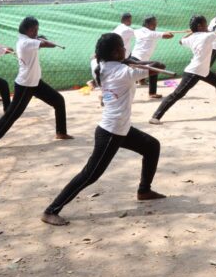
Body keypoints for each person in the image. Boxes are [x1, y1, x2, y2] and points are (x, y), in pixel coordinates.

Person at [41, 33, 165, 226]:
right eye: (122, 48)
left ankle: (144, 191)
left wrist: (126, 60)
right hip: (111, 132)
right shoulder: (123, 72)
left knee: (151, 146)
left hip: (120, 127)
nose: (126, 50)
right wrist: (132, 61)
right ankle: (51, 210)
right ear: (116, 53)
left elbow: (93, 56)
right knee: (90, 174)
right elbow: (159, 66)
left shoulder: (100, 65)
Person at [0, 17, 73, 152]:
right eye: (35, 30)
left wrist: (39, 38)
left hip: (35, 82)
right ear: (28, 30)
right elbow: (50, 45)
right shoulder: (25, 42)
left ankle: (61, 132)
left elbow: (40, 42)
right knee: (12, 115)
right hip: (25, 85)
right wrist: (42, 40)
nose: (37, 32)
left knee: (59, 101)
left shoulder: (29, 40)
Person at [149, 15, 216, 124]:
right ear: (199, 26)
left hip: (203, 71)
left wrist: (191, 32)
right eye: (205, 24)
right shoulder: (207, 36)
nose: (207, 26)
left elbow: (181, 41)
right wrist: (206, 32)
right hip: (194, 71)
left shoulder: (192, 38)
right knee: (177, 94)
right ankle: (155, 117)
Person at [132, 16, 174, 98]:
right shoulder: (151, 33)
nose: (155, 25)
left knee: (150, 67)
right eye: (153, 24)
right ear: (148, 24)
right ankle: (152, 93)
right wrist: (169, 32)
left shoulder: (138, 31)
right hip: (138, 60)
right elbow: (169, 36)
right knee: (156, 67)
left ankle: (142, 81)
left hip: (134, 59)